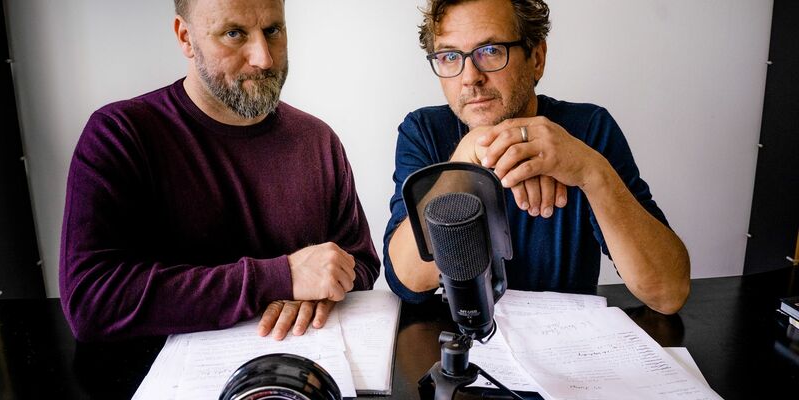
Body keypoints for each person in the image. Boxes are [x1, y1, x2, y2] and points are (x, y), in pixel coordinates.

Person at [59, 0, 380, 342]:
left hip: (304, 368)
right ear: (185, 37)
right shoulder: (119, 134)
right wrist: (280, 277)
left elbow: (360, 262)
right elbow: (91, 301)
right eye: (234, 33)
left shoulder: (317, 140)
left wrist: (323, 284)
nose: (264, 58)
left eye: (272, 30)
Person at [384, 0, 690, 314]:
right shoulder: (423, 130)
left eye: (490, 50)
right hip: (463, 344)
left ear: (537, 59)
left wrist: (589, 171)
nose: (470, 77)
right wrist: (466, 158)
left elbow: (668, 293)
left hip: (570, 345)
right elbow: (408, 280)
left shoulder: (588, 129)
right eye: (450, 56)